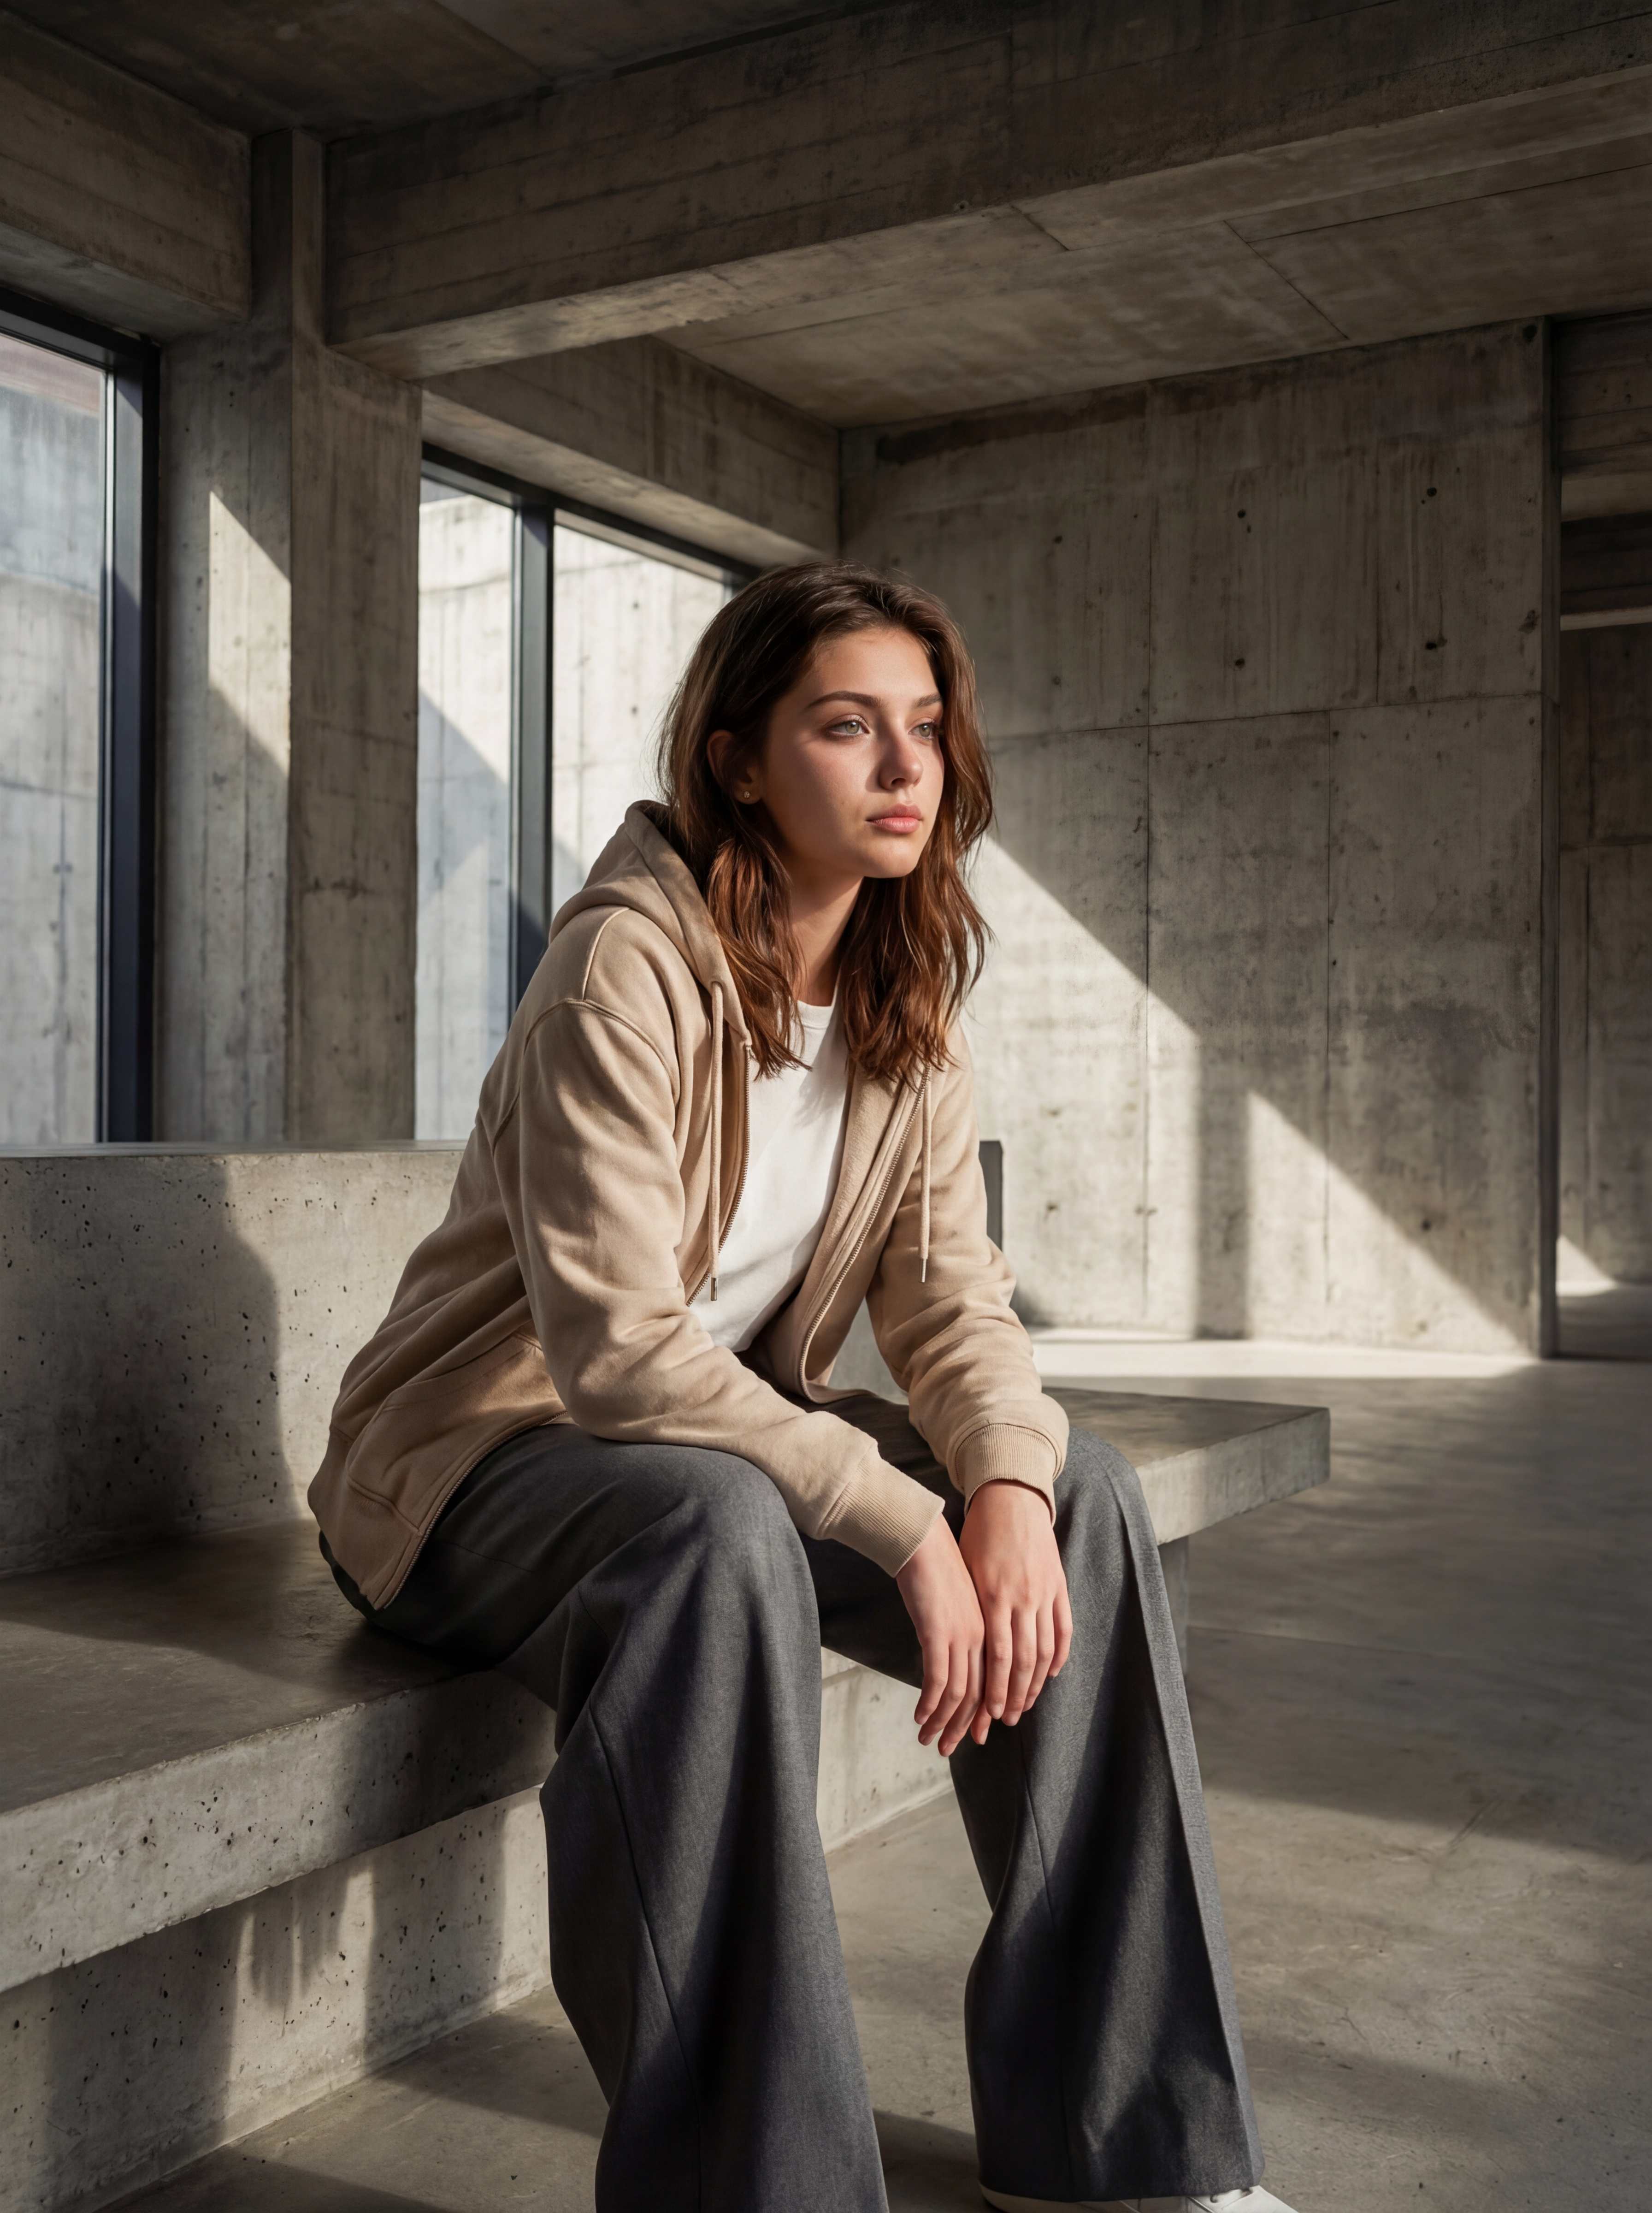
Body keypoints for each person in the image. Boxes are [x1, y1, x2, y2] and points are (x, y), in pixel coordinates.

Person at [309, 562, 1292, 2213]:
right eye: (850, 728)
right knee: (712, 1535)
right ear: (743, 759)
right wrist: (900, 1523)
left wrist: (998, 1491)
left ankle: (1128, 2148)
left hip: (703, 1452)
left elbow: (955, 1302)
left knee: (1088, 1499)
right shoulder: (621, 971)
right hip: (474, 1473)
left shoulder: (908, 995)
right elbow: (616, 1347)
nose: (907, 767)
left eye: (924, 727)